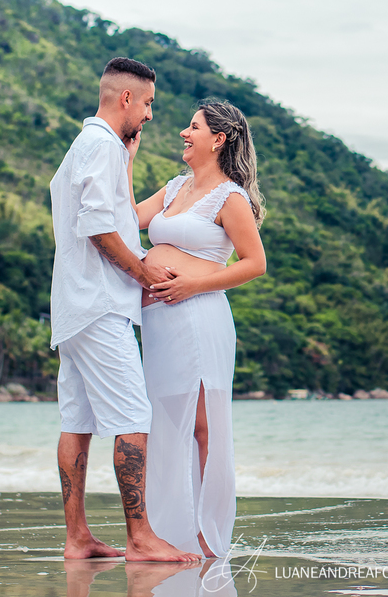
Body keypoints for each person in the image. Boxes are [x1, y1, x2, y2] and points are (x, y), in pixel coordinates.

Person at [49, 56, 200, 563]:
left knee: (77, 421)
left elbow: (111, 213)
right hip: (100, 308)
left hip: (73, 308)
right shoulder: (100, 146)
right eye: (150, 104)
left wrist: (129, 163)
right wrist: (143, 275)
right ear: (127, 98)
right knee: (134, 416)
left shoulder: (89, 147)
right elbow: (98, 227)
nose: (152, 117)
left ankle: (78, 539)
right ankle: (140, 537)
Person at [126, 98, 267, 558]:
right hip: (160, 323)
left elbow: (255, 264)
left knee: (203, 427)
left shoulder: (231, 197)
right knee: (166, 424)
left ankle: (208, 533)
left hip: (199, 317)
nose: (184, 133)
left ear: (219, 139)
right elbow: (125, 217)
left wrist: (193, 285)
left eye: (194, 126)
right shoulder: (173, 188)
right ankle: (172, 529)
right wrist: (125, 160)